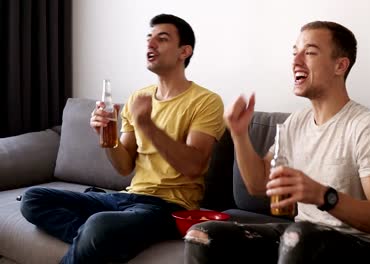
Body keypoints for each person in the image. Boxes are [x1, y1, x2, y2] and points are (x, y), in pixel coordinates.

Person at [184, 21, 370, 264]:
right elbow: (258, 185)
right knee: (202, 235)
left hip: (358, 248)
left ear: (340, 65)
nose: (296, 61)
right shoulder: (295, 123)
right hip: (301, 238)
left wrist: (322, 195)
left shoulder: (367, 126)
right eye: (294, 51)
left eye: (309, 52)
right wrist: (239, 134)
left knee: (298, 236)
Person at [20, 14, 225, 264]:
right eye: (148, 38)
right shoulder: (139, 98)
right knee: (34, 199)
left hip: (168, 208)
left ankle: (101, 237)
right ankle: (101, 240)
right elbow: (124, 166)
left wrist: (147, 125)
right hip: (125, 198)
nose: (150, 44)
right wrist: (107, 138)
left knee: (100, 225)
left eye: (162, 39)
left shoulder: (206, 101)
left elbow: (194, 166)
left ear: (184, 51)